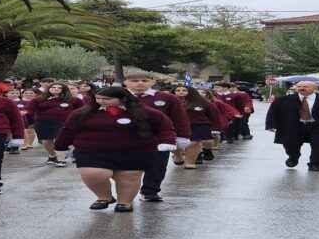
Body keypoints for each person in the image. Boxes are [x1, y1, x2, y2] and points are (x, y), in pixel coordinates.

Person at [54, 87, 177, 212]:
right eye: (98, 98)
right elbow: (68, 129)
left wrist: (167, 141)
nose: (101, 101)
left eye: (107, 99)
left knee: (128, 178)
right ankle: (104, 197)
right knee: (93, 174)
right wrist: (60, 145)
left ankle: (125, 202)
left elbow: (164, 126)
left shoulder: (145, 112)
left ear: (122, 99)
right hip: (91, 151)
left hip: (135, 152)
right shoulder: (82, 113)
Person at [124, 73, 191, 202]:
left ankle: (150, 191)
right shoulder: (118, 97)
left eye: (144, 80)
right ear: (126, 82)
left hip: (159, 138)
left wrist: (182, 136)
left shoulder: (167, 98)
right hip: (126, 138)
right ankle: (125, 194)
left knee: (157, 166)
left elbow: (180, 118)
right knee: (128, 168)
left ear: (152, 82)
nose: (139, 83)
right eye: (134, 80)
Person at [265, 81, 319, 172]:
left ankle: (315, 164)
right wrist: (271, 125)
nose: (302, 88)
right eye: (299, 86)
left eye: (305, 86)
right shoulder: (283, 100)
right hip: (293, 126)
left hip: (318, 126)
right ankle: (293, 157)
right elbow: (273, 113)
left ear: (314, 88)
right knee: (290, 144)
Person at [28, 82, 84, 167]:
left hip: (64, 123)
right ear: (49, 89)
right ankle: (52, 156)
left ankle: (61, 159)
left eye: (59, 87)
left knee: (60, 141)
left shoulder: (73, 100)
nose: (56, 89)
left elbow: (83, 111)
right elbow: (30, 110)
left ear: (64, 90)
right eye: (53, 87)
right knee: (46, 141)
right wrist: (30, 122)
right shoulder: (38, 99)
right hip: (43, 123)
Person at [174, 85, 223, 169]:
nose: (181, 92)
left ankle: (191, 161)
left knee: (194, 143)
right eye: (178, 90)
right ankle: (179, 156)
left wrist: (215, 128)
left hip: (199, 125)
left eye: (184, 90)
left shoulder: (203, 102)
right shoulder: (170, 101)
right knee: (177, 144)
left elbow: (214, 116)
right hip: (178, 126)